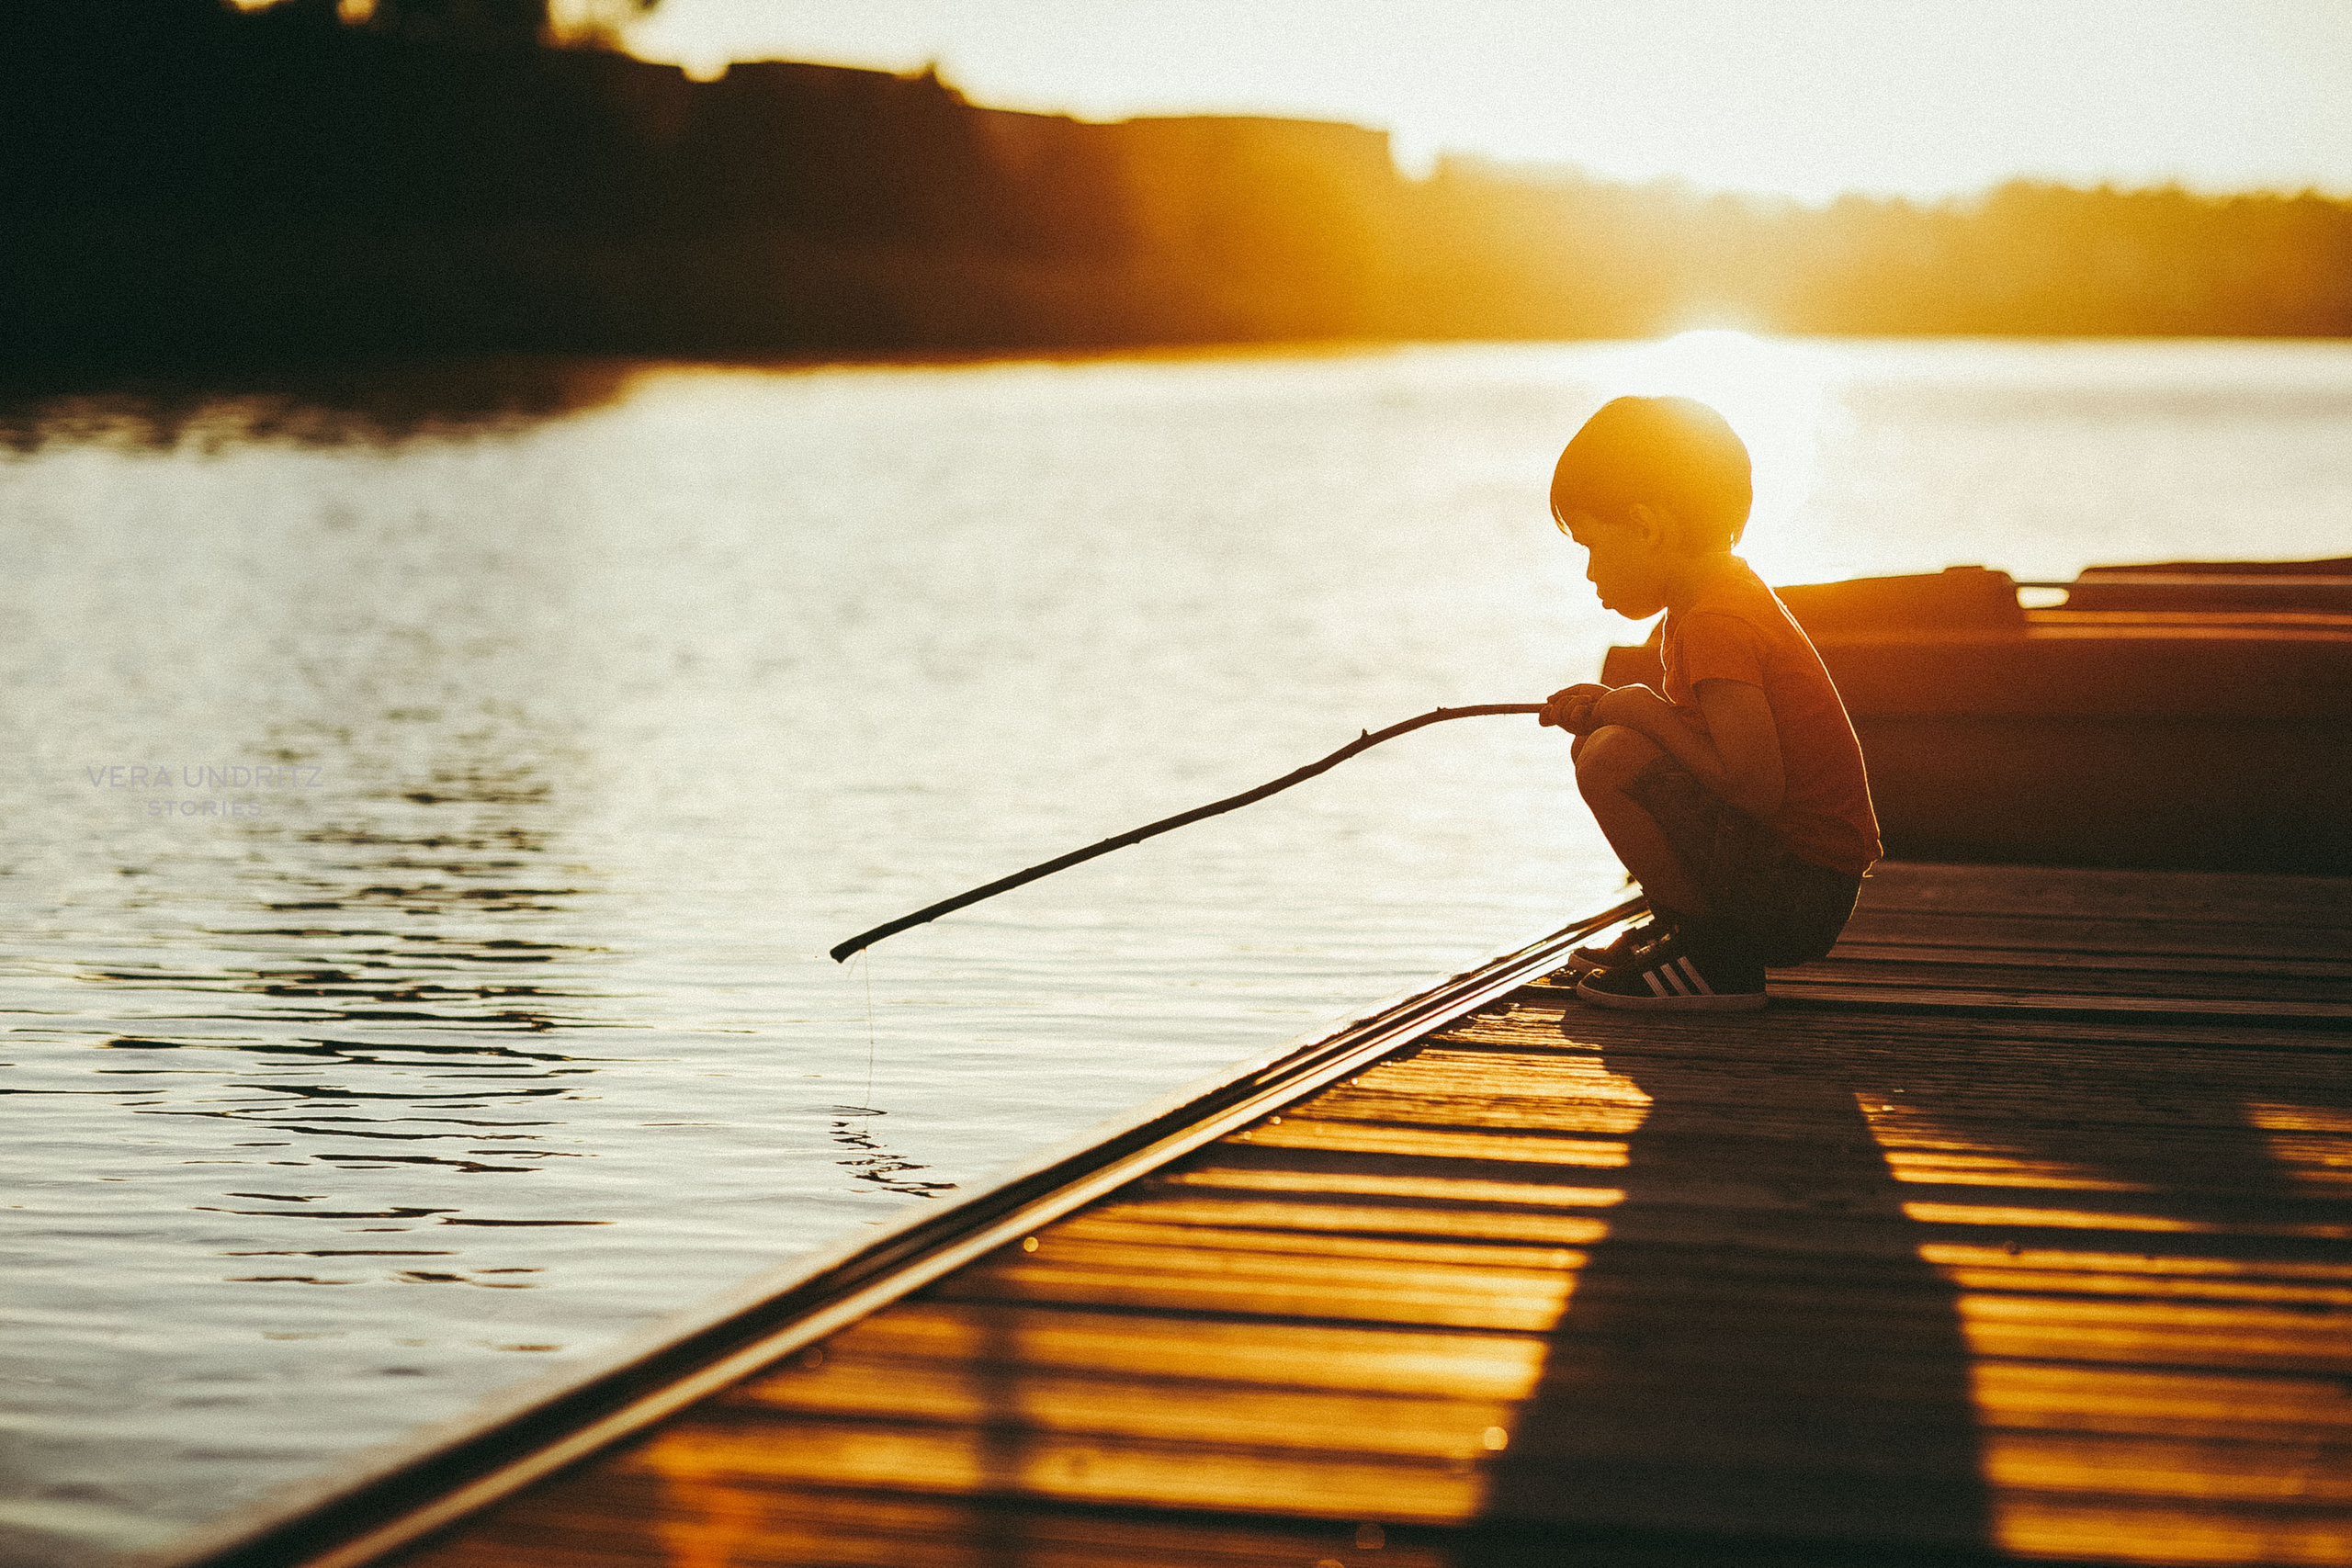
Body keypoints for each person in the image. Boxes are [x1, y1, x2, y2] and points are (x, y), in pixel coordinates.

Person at [1541, 395, 1879, 1010]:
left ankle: (1717, 955)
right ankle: (1684, 933)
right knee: (1599, 743)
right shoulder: (1713, 599)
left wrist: (1640, 709)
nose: (1589, 571)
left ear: (1648, 527)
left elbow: (1755, 787)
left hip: (1800, 891)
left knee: (1610, 757)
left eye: (1592, 545)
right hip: (1796, 879)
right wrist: (1617, 707)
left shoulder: (1717, 621)